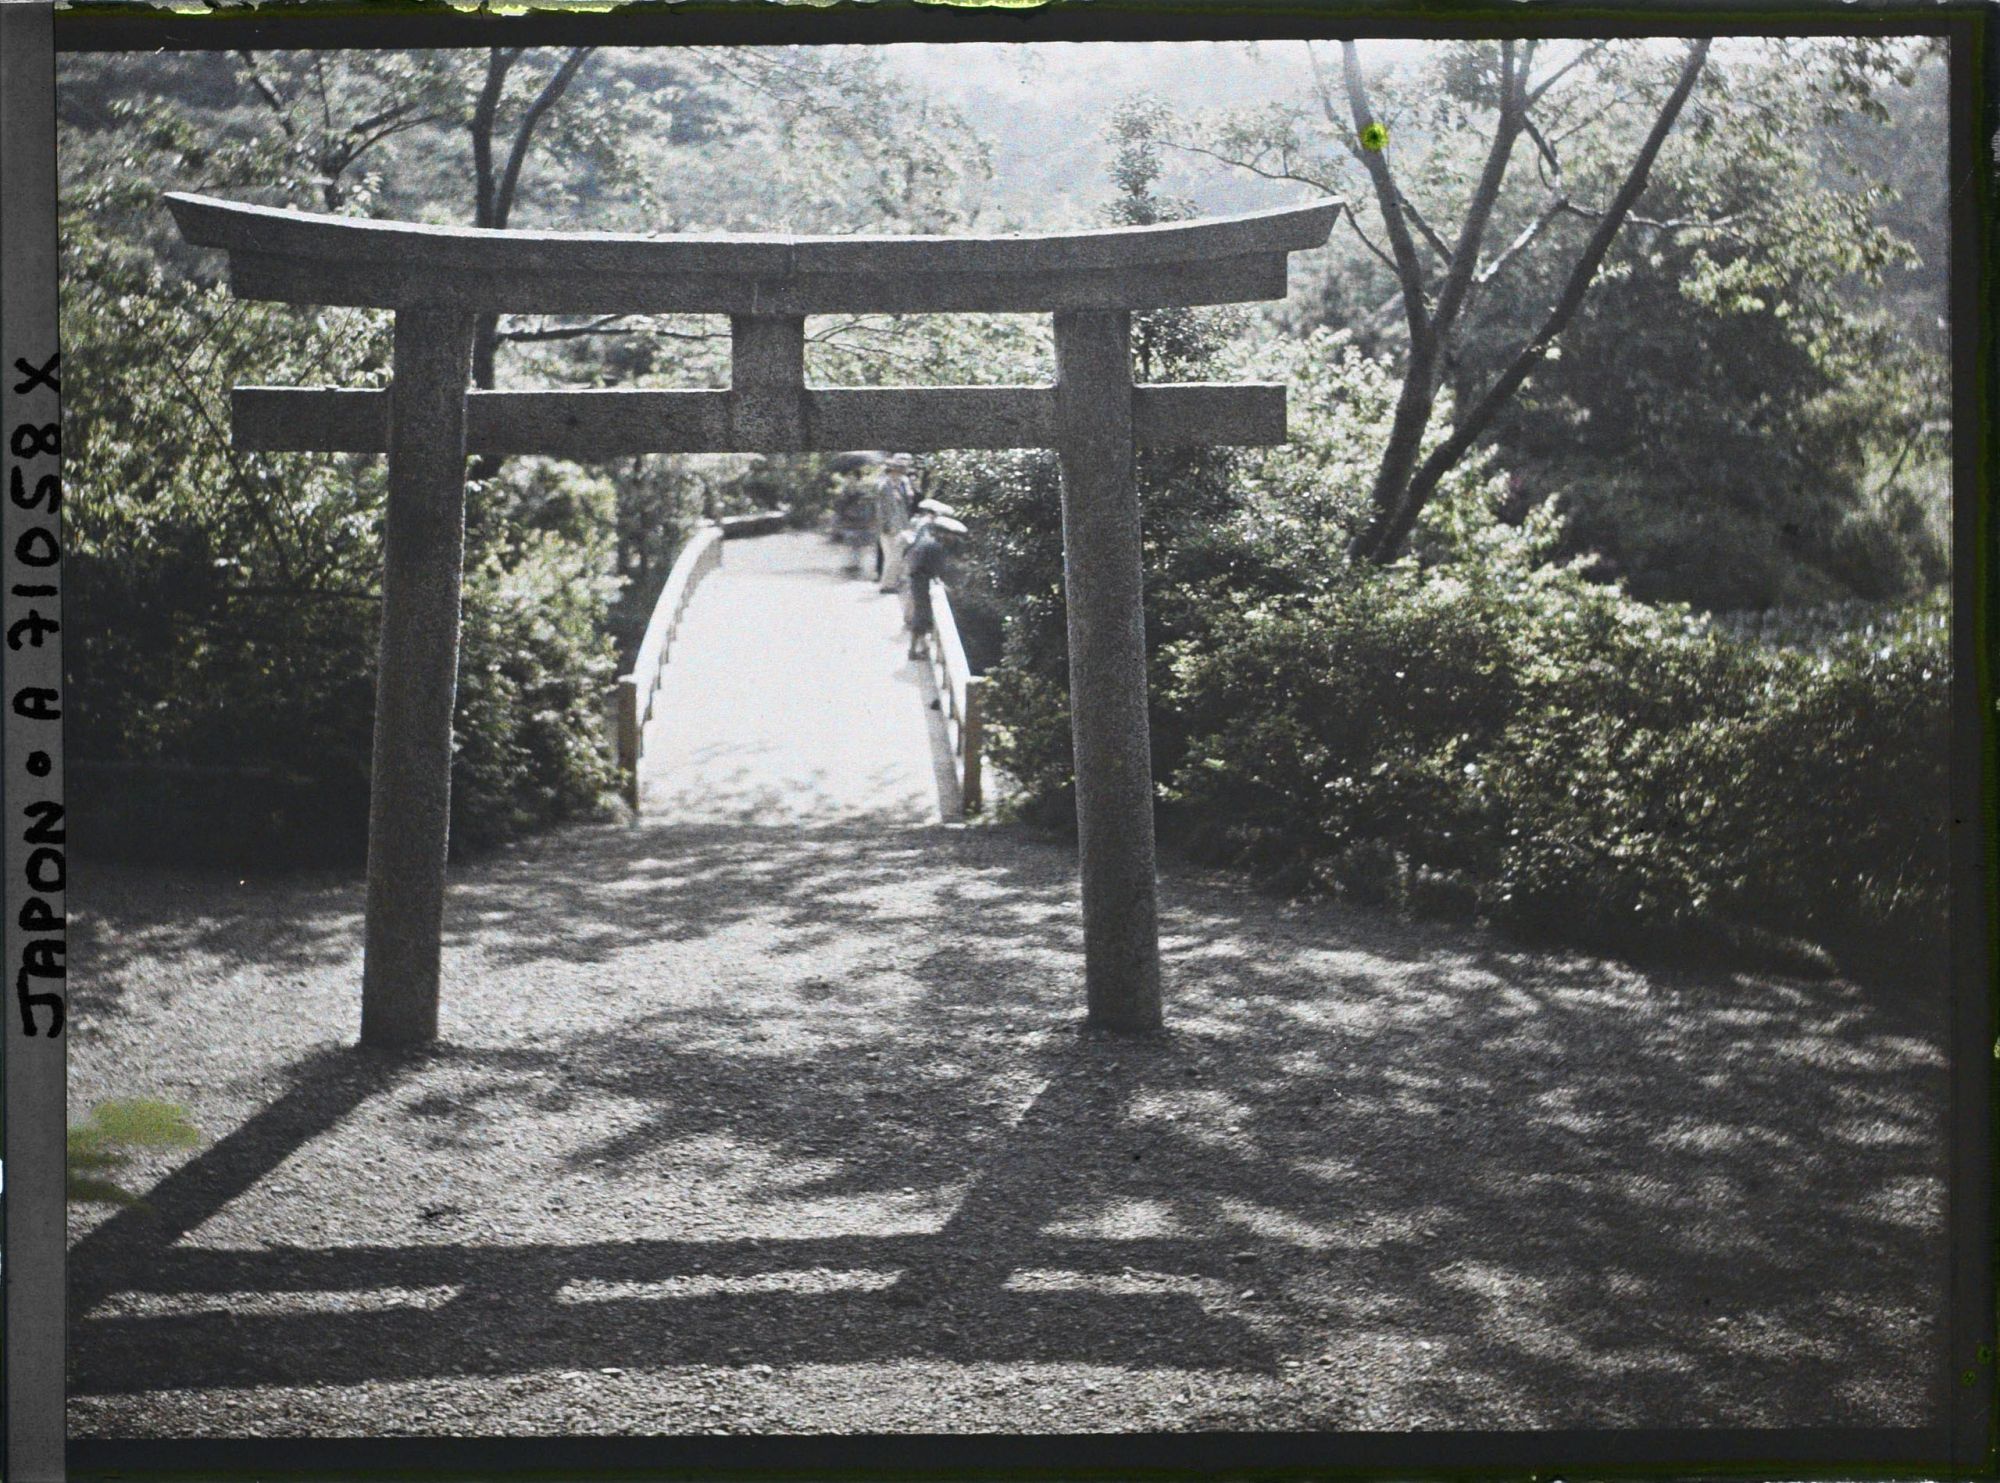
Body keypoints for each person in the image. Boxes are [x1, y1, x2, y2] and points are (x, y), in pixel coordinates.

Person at [903, 509, 965, 660]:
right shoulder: (935, 547)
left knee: (921, 614)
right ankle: (913, 650)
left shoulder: (930, 541)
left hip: (919, 579)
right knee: (922, 615)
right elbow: (936, 569)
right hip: (921, 581)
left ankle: (921, 648)